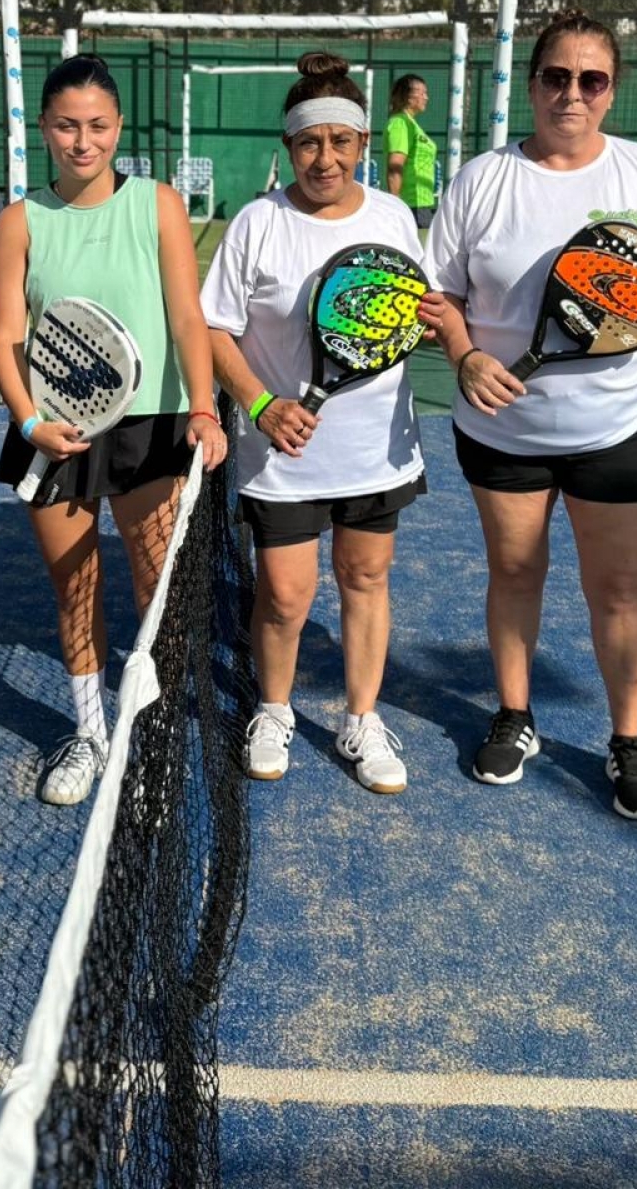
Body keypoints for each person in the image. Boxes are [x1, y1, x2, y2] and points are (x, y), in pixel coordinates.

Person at [419, 7, 637, 821]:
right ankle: (515, 715)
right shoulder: (482, 180)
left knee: (617, 586)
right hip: (500, 428)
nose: (572, 93)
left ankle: (628, 740)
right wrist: (466, 356)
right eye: (556, 76)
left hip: (617, 424)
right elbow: (440, 297)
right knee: (514, 572)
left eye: (591, 79)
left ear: (612, 90)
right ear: (532, 83)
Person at [0, 54, 227, 807]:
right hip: (52, 427)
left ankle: (149, 738)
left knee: (157, 595)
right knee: (75, 586)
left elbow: (188, 315)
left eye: (96, 125)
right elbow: (5, 335)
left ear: (118, 127)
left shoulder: (158, 204)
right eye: (67, 125)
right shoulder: (19, 222)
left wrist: (203, 405)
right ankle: (90, 734)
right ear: (44, 128)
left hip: (150, 424)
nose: (82, 141)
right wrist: (30, 421)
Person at [202, 51, 426, 795]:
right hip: (281, 455)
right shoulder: (258, 222)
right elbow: (214, 329)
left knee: (366, 578)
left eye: (340, 141)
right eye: (308, 143)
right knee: (285, 596)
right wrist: (260, 405)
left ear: (363, 143)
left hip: (376, 448)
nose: (325, 158)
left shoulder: (393, 217)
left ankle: (363, 718)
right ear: (289, 146)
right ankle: (273, 710)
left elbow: (407, 310)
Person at [384, 72, 436, 229]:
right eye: (422, 93)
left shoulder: (411, 124)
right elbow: (395, 165)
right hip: (410, 205)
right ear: (408, 96)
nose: (426, 97)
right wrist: (396, 204)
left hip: (422, 204)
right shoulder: (400, 123)